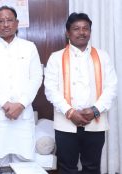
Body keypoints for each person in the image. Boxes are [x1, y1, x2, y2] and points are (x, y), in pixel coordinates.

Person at [44, 12, 117, 174]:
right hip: (65, 123)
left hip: (95, 122)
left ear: (90, 32)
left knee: (92, 167)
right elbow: (50, 89)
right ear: (67, 33)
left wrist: (95, 110)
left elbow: (111, 87)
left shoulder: (103, 56)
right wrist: (70, 112)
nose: (81, 32)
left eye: (85, 28)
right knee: (67, 167)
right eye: (76, 29)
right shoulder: (55, 58)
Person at [0, 6, 43, 167]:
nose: (6, 24)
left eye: (9, 20)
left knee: (25, 164)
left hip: (23, 116)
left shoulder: (29, 47)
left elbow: (36, 78)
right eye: (1, 21)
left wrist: (20, 104)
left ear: (17, 23)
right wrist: (5, 104)